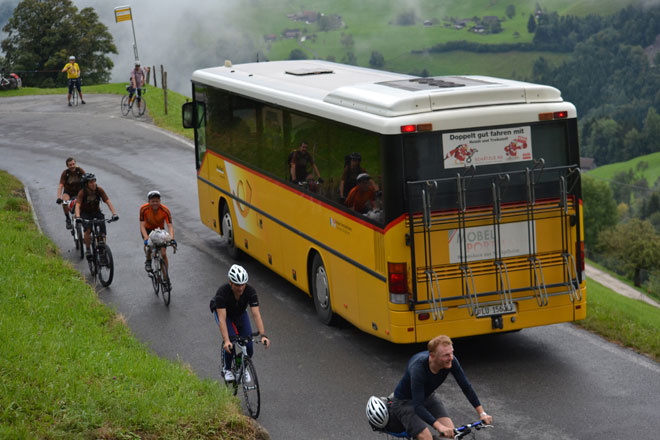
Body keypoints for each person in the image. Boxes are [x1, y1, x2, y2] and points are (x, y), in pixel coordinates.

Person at [390, 335, 493, 440]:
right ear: (432, 356)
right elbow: (418, 406)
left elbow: (466, 387)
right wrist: (440, 427)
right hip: (405, 402)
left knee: (452, 433)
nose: (451, 358)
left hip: (427, 396)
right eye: (446, 355)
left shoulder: (451, 361)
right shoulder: (418, 369)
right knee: (426, 437)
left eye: (452, 352)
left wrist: (482, 413)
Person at [210, 264, 271, 382]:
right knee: (232, 341)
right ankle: (227, 369)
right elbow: (222, 319)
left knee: (249, 346)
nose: (240, 288)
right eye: (237, 285)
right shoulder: (222, 293)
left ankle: (240, 366)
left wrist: (263, 335)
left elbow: (256, 314)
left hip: (240, 313)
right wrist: (226, 340)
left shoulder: (250, 291)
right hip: (225, 314)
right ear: (230, 283)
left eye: (243, 284)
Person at [74, 173, 119, 260]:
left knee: (102, 232)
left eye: (94, 181)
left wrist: (114, 214)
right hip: (85, 213)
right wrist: (78, 216)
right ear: (86, 184)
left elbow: (108, 202)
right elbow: (78, 205)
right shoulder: (82, 192)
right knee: (88, 230)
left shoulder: (99, 190)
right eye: (91, 182)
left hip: (96, 212)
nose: (93, 184)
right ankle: (87, 249)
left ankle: (103, 249)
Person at [139, 190, 175, 273]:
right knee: (149, 247)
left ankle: (165, 277)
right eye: (152, 201)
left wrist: (172, 239)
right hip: (148, 230)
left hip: (160, 230)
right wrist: (146, 238)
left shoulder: (165, 210)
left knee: (163, 253)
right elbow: (142, 225)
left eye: (157, 201)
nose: (155, 203)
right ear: (148, 202)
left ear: (160, 201)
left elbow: (170, 226)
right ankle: (148, 260)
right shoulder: (143, 209)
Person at [56, 157, 85, 229]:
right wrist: (59, 197)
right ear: (67, 166)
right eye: (70, 165)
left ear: (75, 164)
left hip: (79, 192)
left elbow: (86, 181)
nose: (72, 166)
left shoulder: (80, 170)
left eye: (73, 164)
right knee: (64, 202)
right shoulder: (65, 173)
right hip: (68, 192)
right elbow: (61, 185)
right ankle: (68, 219)